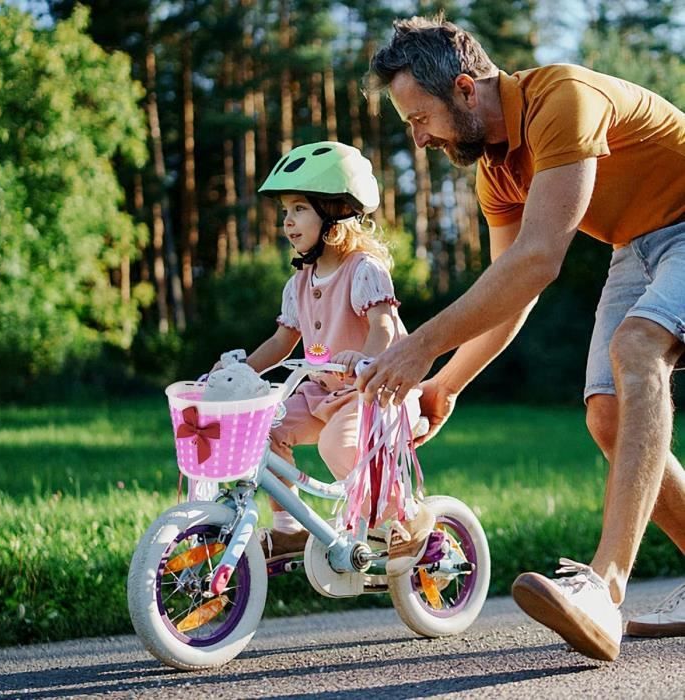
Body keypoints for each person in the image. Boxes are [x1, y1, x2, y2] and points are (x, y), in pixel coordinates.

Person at [357, 15, 685, 661]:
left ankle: (604, 588)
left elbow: (540, 259)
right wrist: (445, 384)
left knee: (636, 348)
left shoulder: (561, 97)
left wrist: (421, 343)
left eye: (420, 119)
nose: (418, 139)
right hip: (636, 246)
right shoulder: (496, 173)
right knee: (609, 416)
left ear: (464, 89)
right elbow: (514, 291)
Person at [213, 141, 433, 575]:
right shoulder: (299, 282)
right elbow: (281, 342)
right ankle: (290, 529)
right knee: (264, 428)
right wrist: (239, 372)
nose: (288, 221)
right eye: (285, 212)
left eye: (299, 208)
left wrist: (365, 359)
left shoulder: (363, 269)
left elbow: (384, 327)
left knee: (339, 444)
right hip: (321, 390)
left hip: (373, 394)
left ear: (335, 212)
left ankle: (407, 515)